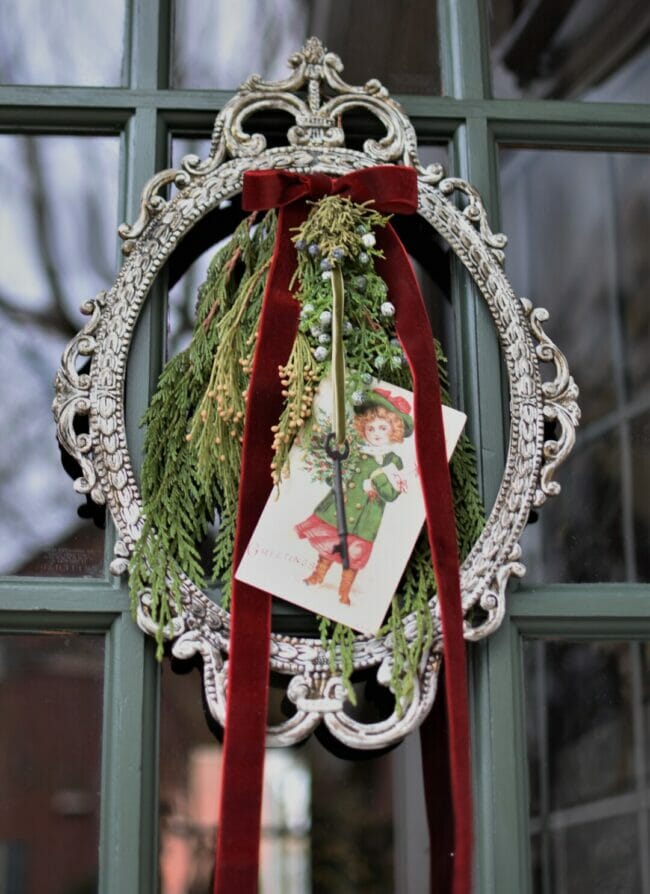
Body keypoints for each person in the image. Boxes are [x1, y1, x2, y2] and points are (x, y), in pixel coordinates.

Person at [295, 388, 413, 605]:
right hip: (339, 509)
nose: (376, 432)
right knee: (329, 546)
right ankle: (317, 576)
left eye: (383, 427)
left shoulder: (394, 462)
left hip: (365, 520)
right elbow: (337, 472)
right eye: (371, 427)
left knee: (353, 555)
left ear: (393, 431)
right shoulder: (356, 450)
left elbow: (391, 495)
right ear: (363, 429)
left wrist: (378, 478)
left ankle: (344, 591)